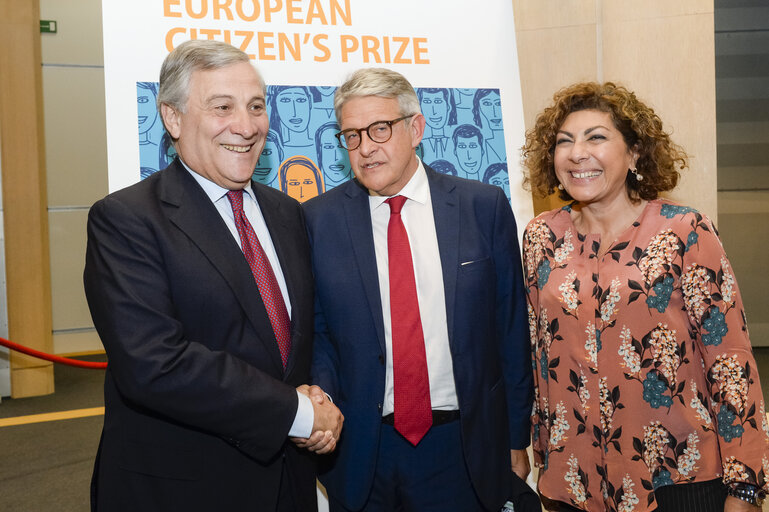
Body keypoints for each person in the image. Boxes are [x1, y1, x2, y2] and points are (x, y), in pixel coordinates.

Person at [84, 40, 342, 512]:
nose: (245, 127)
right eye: (222, 107)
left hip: (290, 480)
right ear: (173, 118)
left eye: (256, 107)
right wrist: (297, 412)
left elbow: (310, 329)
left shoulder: (287, 213)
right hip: (184, 487)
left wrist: (318, 396)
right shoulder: (126, 219)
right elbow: (154, 364)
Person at [522, 81, 769, 512]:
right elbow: (539, 356)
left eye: (596, 137)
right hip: (573, 483)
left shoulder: (684, 231)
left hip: (676, 478)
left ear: (634, 153)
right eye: (564, 142)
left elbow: (730, 360)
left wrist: (744, 487)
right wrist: (543, 455)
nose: (577, 152)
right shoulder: (541, 237)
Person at [303, 67, 534, 512]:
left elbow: (510, 331)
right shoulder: (318, 220)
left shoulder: (481, 206)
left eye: (379, 129)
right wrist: (324, 402)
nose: (365, 148)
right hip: (362, 452)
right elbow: (319, 334)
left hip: (464, 447)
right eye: (351, 135)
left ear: (415, 128)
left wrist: (515, 438)